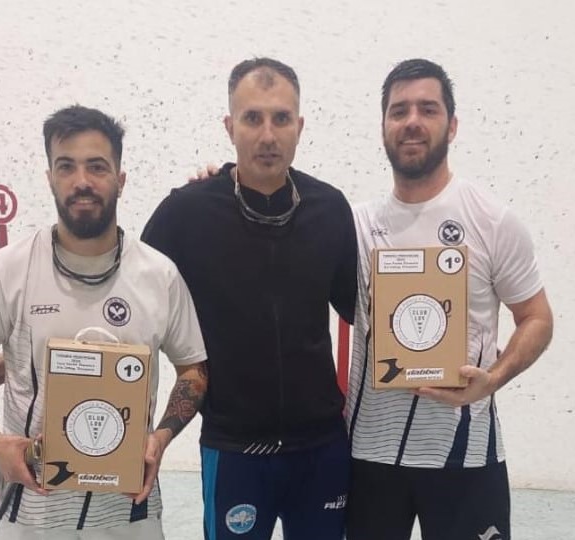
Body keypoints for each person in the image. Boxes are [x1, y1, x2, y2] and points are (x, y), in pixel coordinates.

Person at [0, 105, 208, 539]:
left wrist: (160, 437)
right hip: (31, 517)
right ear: (49, 177)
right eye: (66, 166)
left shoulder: (160, 276)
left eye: (97, 167)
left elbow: (193, 370)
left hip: (130, 516)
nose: (82, 181)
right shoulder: (8, 271)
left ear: (121, 179)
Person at [142, 57, 357, 540]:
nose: (267, 135)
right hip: (235, 451)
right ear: (229, 126)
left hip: (321, 448)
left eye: (281, 118)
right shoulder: (187, 211)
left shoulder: (331, 208)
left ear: (299, 127)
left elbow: (363, 309)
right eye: (252, 118)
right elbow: (129, 298)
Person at [345, 58, 554, 540]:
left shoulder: (493, 220)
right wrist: (224, 183)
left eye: (428, 109)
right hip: (370, 456)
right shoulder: (351, 225)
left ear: (452, 125)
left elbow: (537, 318)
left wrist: (494, 379)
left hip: (466, 453)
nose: (412, 121)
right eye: (398, 111)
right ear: (383, 127)